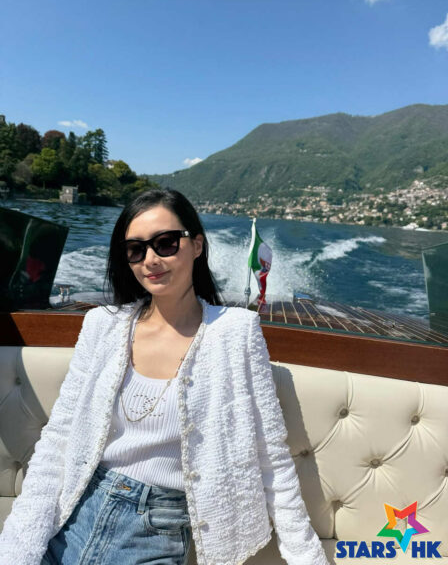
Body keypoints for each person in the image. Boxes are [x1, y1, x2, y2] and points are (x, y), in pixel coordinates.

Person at [0, 188, 329, 565]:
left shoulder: (235, 332)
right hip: (75, 509)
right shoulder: (102, 326)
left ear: (197, 245)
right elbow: (59, 438)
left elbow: (270, 454)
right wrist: (17, 548)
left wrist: (306, 555)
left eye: (166, 243)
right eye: (136, 249)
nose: (151, 260)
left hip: (157, 527)